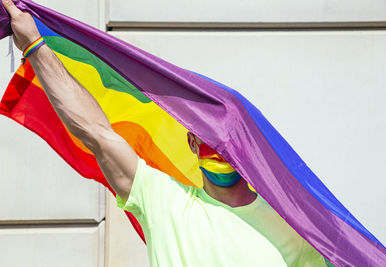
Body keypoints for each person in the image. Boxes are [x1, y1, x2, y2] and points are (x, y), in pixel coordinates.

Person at [1, 0, 328, 266]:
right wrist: (35, 45)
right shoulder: (163, 201)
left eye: (231, 138)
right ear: (191, 142)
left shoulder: (296, 229)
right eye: (209, 137)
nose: (221, 148)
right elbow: (96, 132)